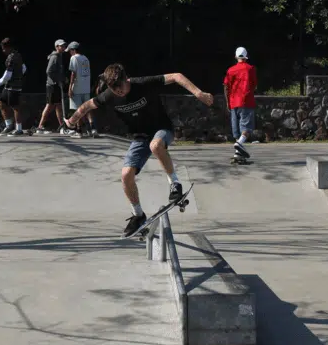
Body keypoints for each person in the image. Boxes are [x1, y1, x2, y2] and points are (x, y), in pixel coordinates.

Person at [64, 63, 214, 237]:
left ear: (126, 79)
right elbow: (87, 106)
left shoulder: (142, 83)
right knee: (126, 175)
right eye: (115, 90)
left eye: (121, 88)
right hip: (140, 136)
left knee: (156, 145)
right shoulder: (108, 95)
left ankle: (175, 184)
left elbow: (176, 76)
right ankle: (138, 215)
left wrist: (198, 93)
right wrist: (72, 120)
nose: (119, 92)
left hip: (162, 129)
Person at [0, 37, 28, 136]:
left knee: (15, 107)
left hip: (13, 86)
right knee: (1, 103)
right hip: (8, 86)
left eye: (4, 48)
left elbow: (8, 75)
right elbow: (24, 68)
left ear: (9, 47)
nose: (3, 50)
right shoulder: (17, 55)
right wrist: (18, 75)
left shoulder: (12, 57)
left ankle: (19, 129)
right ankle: (9, 126)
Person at [223, 47, 257, 160]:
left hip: (233, 102)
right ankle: (239, 144)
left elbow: (226, 87)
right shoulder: (250, 69)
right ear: (246, 57)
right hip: (246, 102)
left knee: (237, 130)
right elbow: (254, 85)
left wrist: (228, 102)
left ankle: (237, 154)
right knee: (246, 128)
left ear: (236, 57)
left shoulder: (230, 70)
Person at [66, 42, 96, 138]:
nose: (70, 53)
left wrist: (70, 87)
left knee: (78, 109)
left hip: (77, 87)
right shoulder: (86, 58)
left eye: (70, 51)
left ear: (73, 50)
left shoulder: (74, 58)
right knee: (87, 108)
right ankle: (93, 128)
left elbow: (73, 74)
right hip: (86, 87)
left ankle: (79, 131)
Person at [36, 39, 67, 134]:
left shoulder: (59, 56)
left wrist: (62, 79)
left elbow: (57, 72)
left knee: (58, 106)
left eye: (64, 46)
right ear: (57, 47)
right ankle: (40, 127)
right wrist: (58, 80)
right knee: (49, 105)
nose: (63, 47)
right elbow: (48, 71)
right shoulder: (55, 57)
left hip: (55, 85)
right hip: (52, 85)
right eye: (61, 46)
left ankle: (62, 127)